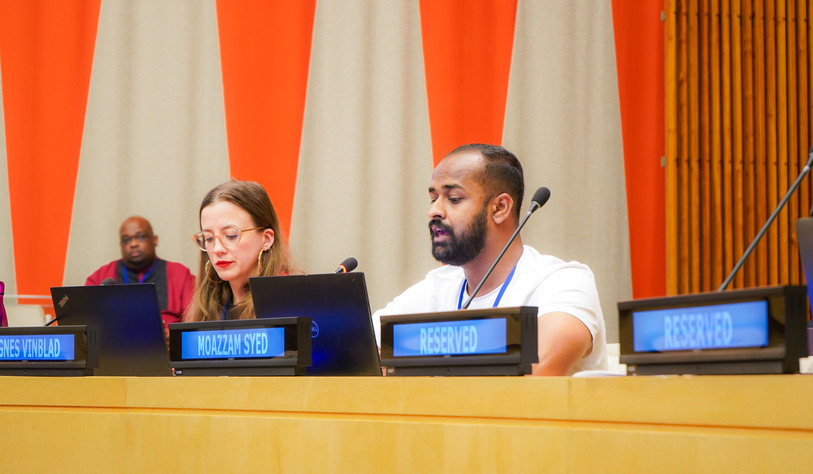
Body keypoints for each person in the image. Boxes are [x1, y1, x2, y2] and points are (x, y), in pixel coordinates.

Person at [372, 144, 607, 376]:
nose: (434, 210)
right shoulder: (438, 286)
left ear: (500, 208)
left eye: (453, 198)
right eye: (433, 198)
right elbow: (362, 351)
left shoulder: (562, 282)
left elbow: (537, 370)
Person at [185, 180, 295, 321]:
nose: (217, 249)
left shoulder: (288, 302)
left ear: (266, 239)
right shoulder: (207, 307)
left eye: (231, 235)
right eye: (209, 238)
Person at [85, 216, 196, 326]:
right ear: (120, 245)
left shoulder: (179, 273)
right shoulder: (101, 277)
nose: (133, 244)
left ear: (155, 240)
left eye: (141, 237)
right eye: (126, 240)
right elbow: (86, 319)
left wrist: (173, 335)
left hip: (166, 343)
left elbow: (195, 319)